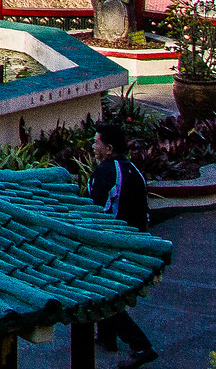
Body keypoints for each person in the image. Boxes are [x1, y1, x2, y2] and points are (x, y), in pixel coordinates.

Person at [90, 123, 157, 369]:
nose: (93, 146)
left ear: (108, 149)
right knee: (109, 291)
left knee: (104, 295)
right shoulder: (133, 170)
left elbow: (96, 213)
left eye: (97, 142)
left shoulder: (106, 172)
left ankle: (141, 346)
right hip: (137, 241)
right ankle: (107, 337)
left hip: (116, 244)